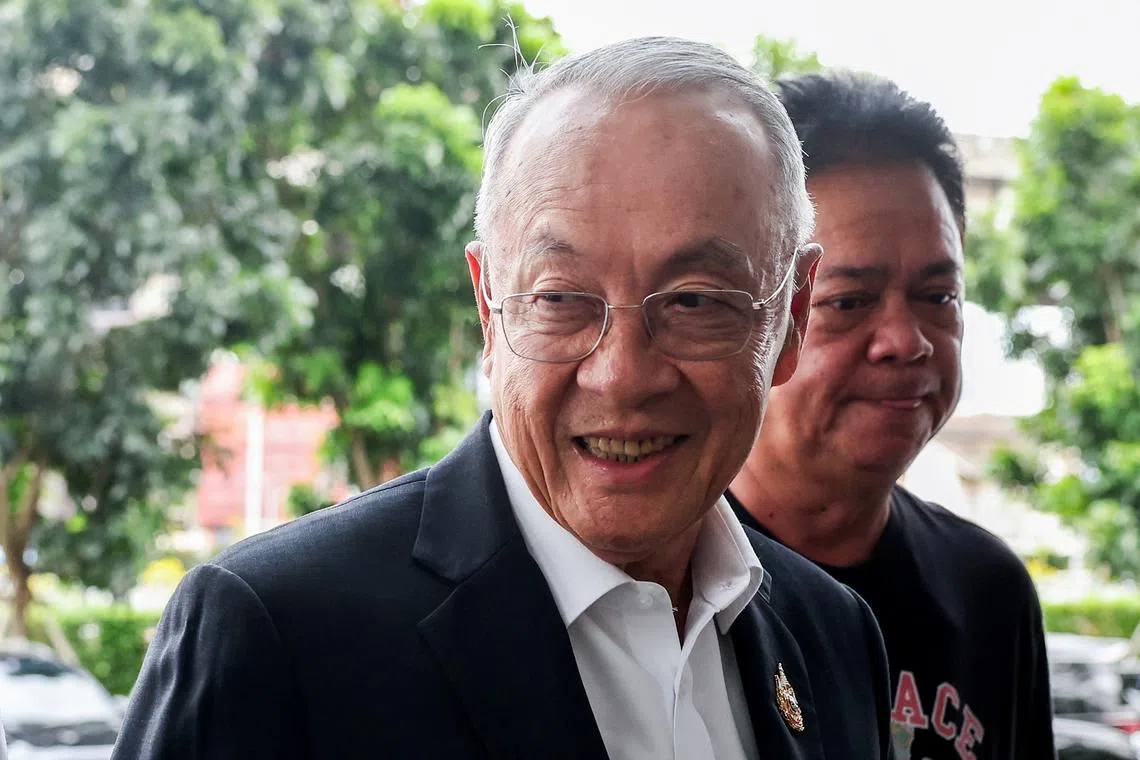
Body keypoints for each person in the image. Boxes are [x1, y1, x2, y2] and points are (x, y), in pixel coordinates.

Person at [113, 38, 892, 759]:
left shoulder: (832, 637)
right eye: (560, 298)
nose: (621, 374)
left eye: (693, 300)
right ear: (489, 307)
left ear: (791, 318)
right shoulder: (277, 634)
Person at [728, 70, 1056, 759]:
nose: (906, 341)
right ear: (753, 317)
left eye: (938, 296)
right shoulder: (661, 584)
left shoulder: (987, 594)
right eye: (849, 302)